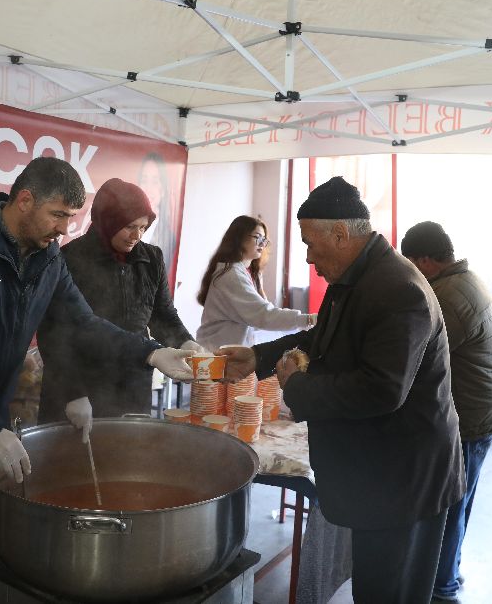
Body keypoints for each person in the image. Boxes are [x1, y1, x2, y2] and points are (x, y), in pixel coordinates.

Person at [0, 157, 194, 604]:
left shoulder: (46, 259)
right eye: (58, 215)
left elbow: (81, 323)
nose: (64, 230)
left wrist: (152, 352)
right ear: (24, 201)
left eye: (71, 218)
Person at [218, 178, 464, 603]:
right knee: (373, 588)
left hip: (406, 478)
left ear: (340, 234)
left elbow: (382, 390)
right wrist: (256, 360)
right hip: (380, 474)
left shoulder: (397, 289)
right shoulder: (354, 279)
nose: (309, 258)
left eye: (311, 244)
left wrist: (296, 388)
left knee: (391, 593)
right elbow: (320, 340)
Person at [400, 221, 492, 603]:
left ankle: (442, 588)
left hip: (469, 416)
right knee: (459, 502)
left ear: (426, 261)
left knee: (447, 507)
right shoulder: (465, 280)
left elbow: (418, 354)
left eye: (411, 263)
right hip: (482, 408)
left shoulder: (448, 295)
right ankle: (449, 572)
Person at [38, 177, 198, 420]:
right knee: (74, 457)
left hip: (133, 380)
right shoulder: (70, 259)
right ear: (109, 221)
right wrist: (72, 393)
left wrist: (186, 343)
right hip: (83, 383)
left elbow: (163, 315)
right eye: (130, 226)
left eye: (143, 227)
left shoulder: (151, 258)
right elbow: (53, 334)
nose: (137, 235)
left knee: (127, 453)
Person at [196, 215, 315, 351]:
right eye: (257, 237)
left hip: (226, 352)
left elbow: (260, 318)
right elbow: (263, 315)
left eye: (264, 240)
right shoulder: (231, 275)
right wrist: (307, 320)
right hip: (216, 355)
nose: (262, 244)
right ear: (239, 238)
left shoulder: (247, 272)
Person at [137, 152, 178, 273]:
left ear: (163, 190)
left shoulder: (168, 237)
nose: (148, 188)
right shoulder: (122, 224)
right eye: (144, 181)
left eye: (155, 182)